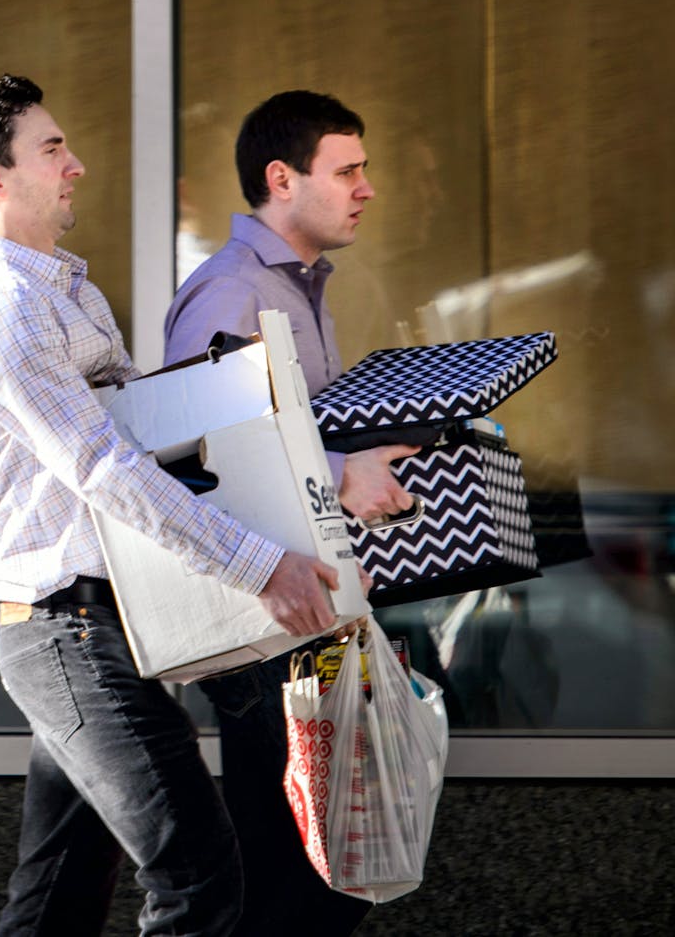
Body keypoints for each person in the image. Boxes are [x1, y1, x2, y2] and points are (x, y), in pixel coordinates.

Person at [0, 74, 346, 937]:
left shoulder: (67, 291)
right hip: (65, 634)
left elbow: (144, 434)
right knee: (197, 873)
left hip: (109, 625)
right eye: (51, 149)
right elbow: (107, 467)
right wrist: (260, 565)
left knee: (55, 901)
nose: (76, 165)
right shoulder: (3, 308)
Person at [164, 89, 418, 936]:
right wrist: (344, 473)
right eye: (347, 169)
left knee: (326, 864)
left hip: (309, 610)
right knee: (289, 873)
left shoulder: (297, 285)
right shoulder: (231, 291)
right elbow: (193, 449)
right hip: (266, 622)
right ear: (282, 178)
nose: (365, 188)